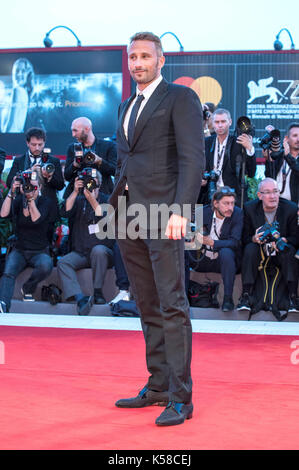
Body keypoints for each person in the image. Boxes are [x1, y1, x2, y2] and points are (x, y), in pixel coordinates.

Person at [108, 31, 205, 427]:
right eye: (133, 57)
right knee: (146, 303)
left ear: (160, 61)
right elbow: (127, 159)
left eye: (146, 56)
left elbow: (193, 158)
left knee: (172, 304)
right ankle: (159, 384)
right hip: (127, 214)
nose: (138, 63)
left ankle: (182, 398)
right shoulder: (126, 104)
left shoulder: (180, 98)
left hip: (165, 213)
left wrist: (182, 211)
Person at [57, 169, 115, 316]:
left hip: (103, 253)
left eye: (93, 180)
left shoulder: (108, 199)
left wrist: (91, 199)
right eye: (87, 180)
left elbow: (106, 219)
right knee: (63, 262)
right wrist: (75, 191)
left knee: (99, 250)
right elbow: (64, 212)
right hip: (81, 252)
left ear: (99, 184)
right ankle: (79, 297)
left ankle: (98, 292)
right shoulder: (78, 200)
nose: (90, 182)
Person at [237, 178, 298, 315]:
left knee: (290, 252)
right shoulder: (250, 208)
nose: (273, 196)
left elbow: (295, 238)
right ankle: (246, 295)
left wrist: (285, 240)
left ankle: (293, 297)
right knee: (249, 249)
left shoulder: (291, 208)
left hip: (281, 250)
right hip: (260, 250)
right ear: (259, 196)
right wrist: (254, 238)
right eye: (268, 192)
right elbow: (244, 238)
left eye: (275, 191)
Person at [0, 176, 54, 313]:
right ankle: (3, 305)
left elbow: (36, 219)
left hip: (39, 251)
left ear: (40, 188)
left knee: (46, 265)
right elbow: (3, 213)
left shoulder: (46, 202)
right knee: (8, 272)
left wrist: (30, 200)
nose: (31, 190)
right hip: (20, 250)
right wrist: (12, 192)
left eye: (35, 187)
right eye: (29, 187)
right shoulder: (18, 201)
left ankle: (28, 288)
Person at [186, 186, 243, 312]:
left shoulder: (237, 214)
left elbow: (235, 242)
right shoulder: (203, 212)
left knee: (227, 252)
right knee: (183, 249)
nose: (230, 208)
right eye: (226, 203)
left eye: (232, 203)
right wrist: (192, 238)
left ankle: (228, 299)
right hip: (202, 258)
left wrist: (212, 242)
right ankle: (183, 296)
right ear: (215, 203)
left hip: (223, 260)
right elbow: (190, 238)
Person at [7, 127, 64, 242]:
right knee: (21, 243)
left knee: (47, 244)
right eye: (33, 144)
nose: (37, 148)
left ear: (44, 143)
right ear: (27, 143)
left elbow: (60, 185)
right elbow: (9, 182)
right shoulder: (19, 161)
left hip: (48, 210)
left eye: (40, 144)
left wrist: (49, 177)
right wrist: (28, 171)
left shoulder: (53, 161)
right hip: (23, 209)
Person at [198, 108, 256, 207]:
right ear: (213, 123)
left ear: (230, 122)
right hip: (209, 198)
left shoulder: (239, 142)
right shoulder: (206, 142)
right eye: (217, 122)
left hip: (234, 200)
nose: (220, 125)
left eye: (223, 121)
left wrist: (250, 149)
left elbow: (251, 173)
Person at [63, 117, 117, 199]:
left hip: (102, 195)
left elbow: (115, 171)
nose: (73, 135)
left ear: (87, 128)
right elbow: (67, 176)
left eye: (75, 130)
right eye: (72, 130)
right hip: (78, 196)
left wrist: (99, 161)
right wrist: (75, 164)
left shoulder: (108, 146)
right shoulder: (72, 148)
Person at [264, 123, 299, 204]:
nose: (298, 139)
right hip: (277, 205)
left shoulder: (286, 155)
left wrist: (288, 156)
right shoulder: (279, 156)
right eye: (295, 136)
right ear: (286, 139)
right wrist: (268, 160)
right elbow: (269, 176)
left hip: (295, 207)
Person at [2, 58, 34, 133]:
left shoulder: (17, 90)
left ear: (28, 74)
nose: (19, 74)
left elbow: (11, 126)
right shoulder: (24, 93)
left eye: (23, 71)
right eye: (17, 71)